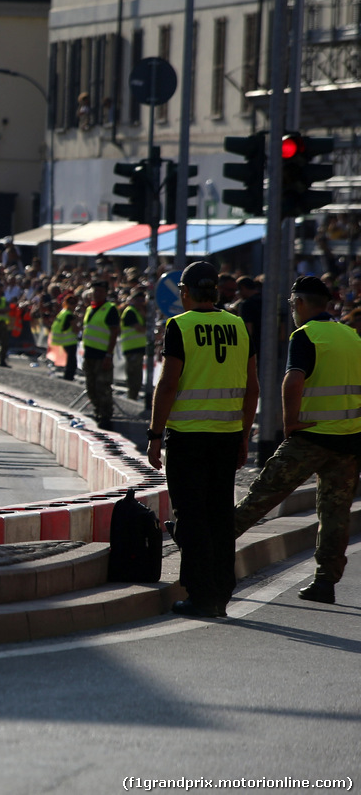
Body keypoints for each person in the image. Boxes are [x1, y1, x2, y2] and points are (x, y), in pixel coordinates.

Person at [233, 276, 361, 605]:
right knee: (335, 514)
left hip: (311, 436)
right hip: (348, 441)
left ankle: (206, 544)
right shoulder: (351, 336)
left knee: (261, 495)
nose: (291, 311)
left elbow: (293, 380)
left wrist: (289, 422)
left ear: (301, 304)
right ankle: (324, 582)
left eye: (291, 305)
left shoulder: (306, 335)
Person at [146, 261, 258, 618]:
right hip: (226, 439)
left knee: (191, 517)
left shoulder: (180, 326)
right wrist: (244, 436)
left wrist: (154, 435)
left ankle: (200, 596)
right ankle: (222, 592)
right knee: (220, 517)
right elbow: (252, 388)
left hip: (189, 438)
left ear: (185, 293)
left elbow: (168, 384)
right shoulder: (239, 326)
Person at [81, 280, 120, 428]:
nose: (96, 294)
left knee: (102, 387)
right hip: (89, 355)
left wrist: (109, 355)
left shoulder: (110, 309)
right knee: (91, 388)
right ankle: (97, 411)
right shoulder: (90, 309)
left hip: (102, 355)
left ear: (105, 293)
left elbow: (114, 333)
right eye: (94, 291)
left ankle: (105, 416)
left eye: (99, 291)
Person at [120, 290, 148, 401]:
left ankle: (133, 395)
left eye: (142, 300)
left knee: (136, 374)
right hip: (131, 348)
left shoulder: (138, 312)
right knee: (133, 374)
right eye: (138, 300)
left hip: (137, 348)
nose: (141, 302)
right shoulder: (130, 312)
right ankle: (132, 396)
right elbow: (140, 329)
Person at [50, 294, 80, 381]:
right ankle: (68, 378)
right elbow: (75, 329)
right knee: (71, 362)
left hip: (62, 341)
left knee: (68, 361)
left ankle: (67, 377)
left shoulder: (62, 312)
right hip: (69, 341)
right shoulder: (69, 315)